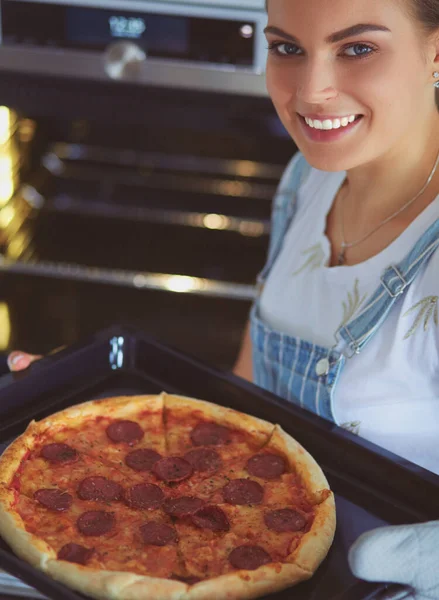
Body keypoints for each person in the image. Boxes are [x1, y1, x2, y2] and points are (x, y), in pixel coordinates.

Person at [6, 0, 439, 597]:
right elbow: (244, 405)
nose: (312, 91)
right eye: (288, 47)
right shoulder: (307, 179)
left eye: (357, 48)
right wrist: (76, 417)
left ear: (435, 51)